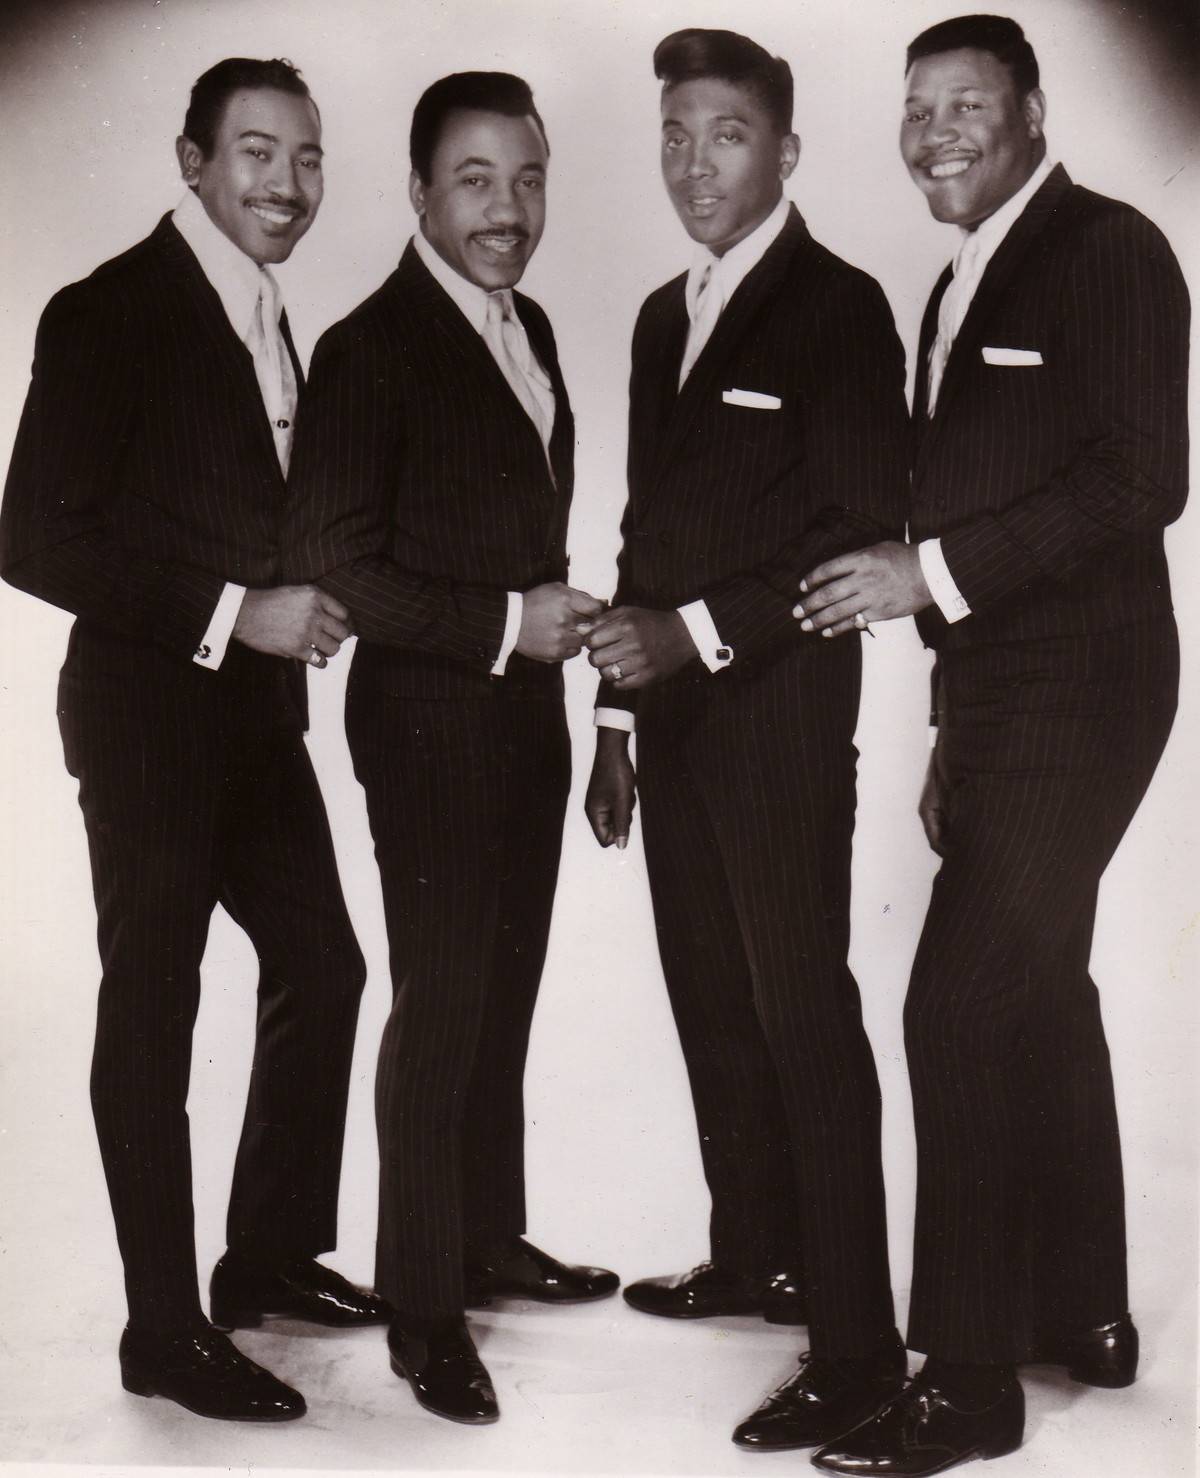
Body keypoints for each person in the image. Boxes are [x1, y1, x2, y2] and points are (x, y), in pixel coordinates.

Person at [795, 17, 1189, 1475]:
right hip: (1006, 698)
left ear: (1032, 111)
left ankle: (966, 1382)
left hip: (1088, 687)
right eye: (916, 108)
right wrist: (955, 710)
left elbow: (1147, 474)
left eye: (967, 103)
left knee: (954, 1006)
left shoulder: (1110, 249)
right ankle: (1084, 1306)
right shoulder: (961, 281)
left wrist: (932, 575)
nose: (935, 131)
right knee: (1034, 982)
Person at [0, 58, 389, 1425]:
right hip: (149, 720)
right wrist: (238, 610)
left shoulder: (270, 312)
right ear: (192, 161)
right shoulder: (109, 309)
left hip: (249, 719)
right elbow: (31, 533)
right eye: (258, 156)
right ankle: (160, 1330)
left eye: (309, 159)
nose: (288, 186)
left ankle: (266, 1256)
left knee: (324, 963)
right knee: (152, 1006)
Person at [582, 28, 911, 1451]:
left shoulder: (843, 308)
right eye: (673, 133)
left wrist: (697, 639)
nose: (692, 161)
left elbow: (850, 537)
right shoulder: (666, 313)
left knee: (804, 1021)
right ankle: (754, 1252)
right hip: (672, 725)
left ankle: (855, 1346)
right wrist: (614, 711)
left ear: (784, 150)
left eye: (723, 134)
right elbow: (647, 528)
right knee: (714, 1005)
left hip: (777, 725)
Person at [284, 70, 618, 1427]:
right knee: (443, 1001)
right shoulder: (371, 348)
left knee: (503, 984)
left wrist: (535, 645)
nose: (508, 209)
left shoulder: (523, 321)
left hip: (518, 714)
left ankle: (484, 1235)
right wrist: (504, 623)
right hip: (428, 723)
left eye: (528, 178)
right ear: (418, 193)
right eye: (474, 180)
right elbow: (329, 567)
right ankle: (423, 1303)